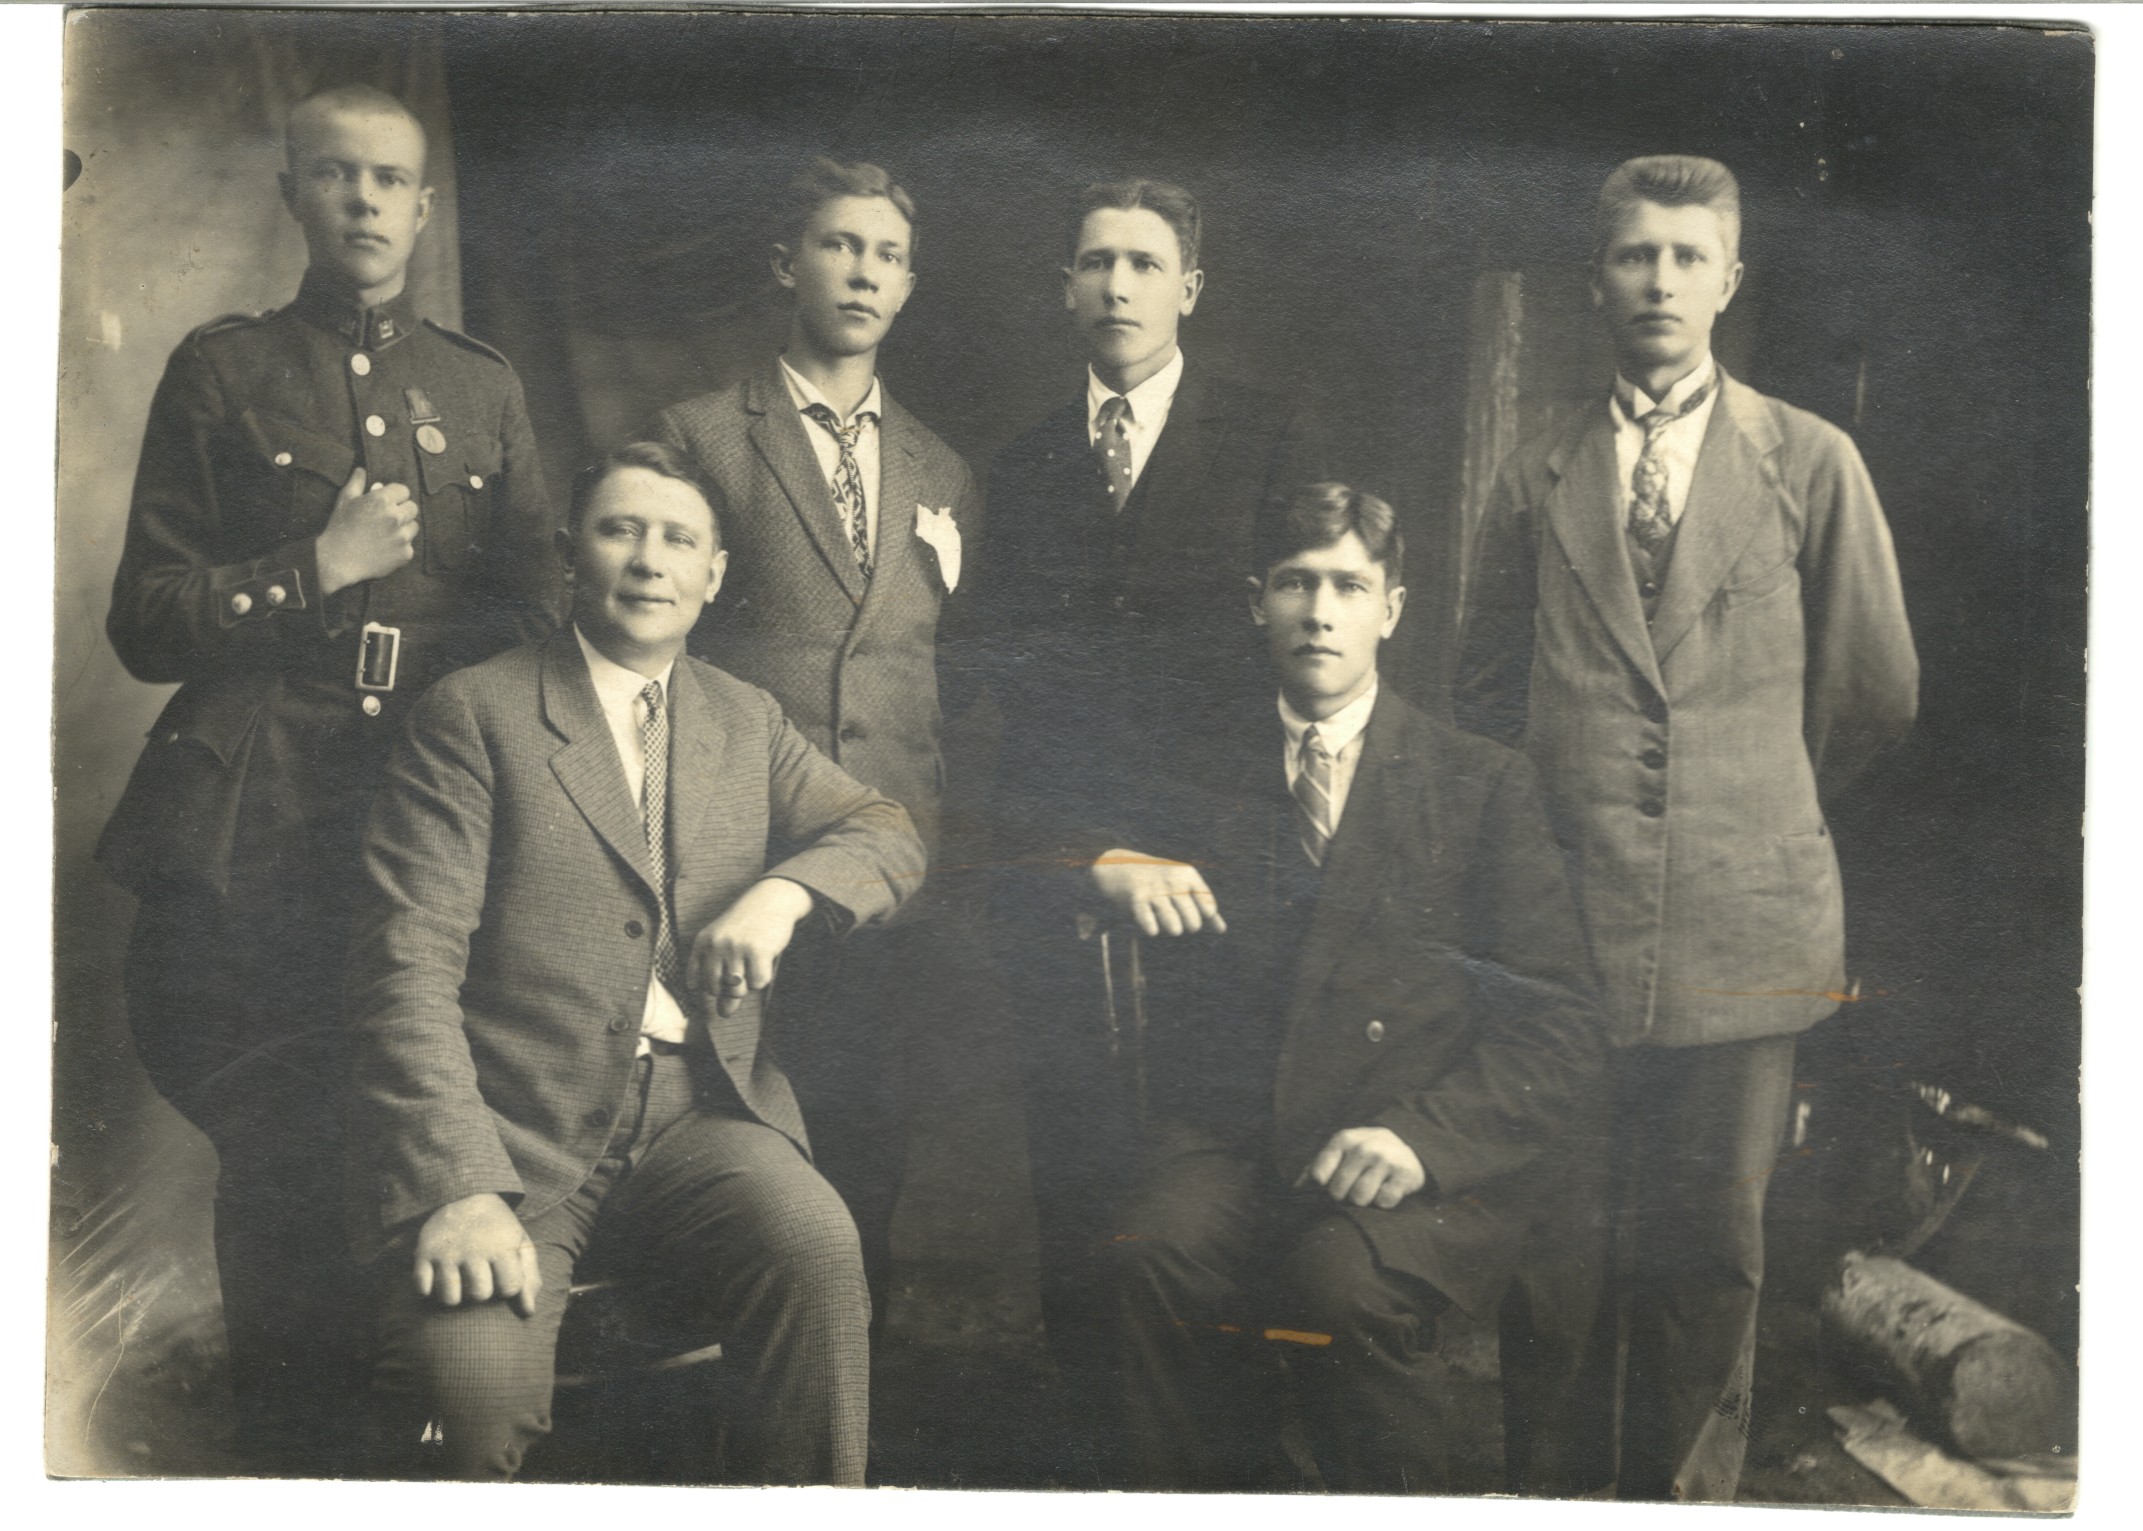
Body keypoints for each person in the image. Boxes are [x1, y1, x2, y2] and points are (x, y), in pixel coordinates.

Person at [95, 83, 556, 1474]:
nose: (364, 200)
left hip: (423, 808)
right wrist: (317, 566)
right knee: (281, 1143)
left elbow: (539, 610)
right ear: (292, 193)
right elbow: (146, 620)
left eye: (391, 179)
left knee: (413, 1119)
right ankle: (287, 1454)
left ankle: (408, 1443)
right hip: (263, 811)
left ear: (423, 205)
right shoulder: (225, 369)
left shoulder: (481, 386)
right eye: (337, 175)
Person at [1455, 155, 1919, 1502]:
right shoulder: (1536, 468)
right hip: (1565, 926)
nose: (1657, 281)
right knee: (1558, 1254)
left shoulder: (1809, 462)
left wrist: (1747, 800)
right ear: (1594, 282)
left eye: (1684, 256)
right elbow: (1480, 691)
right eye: (1631, 256)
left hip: (1742, 925)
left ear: (1728, 281)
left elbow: (1871, 693)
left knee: (1709, 1251)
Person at [346, 443, 926, 1483]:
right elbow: (405, 968)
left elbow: (886, 831)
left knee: (819, 1247)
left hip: (700, 1118)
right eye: (621, 531)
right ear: (570, 553)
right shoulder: (475, 713)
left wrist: (782, 894)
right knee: (470, 1394)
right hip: (513, 1130)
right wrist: (459, 1185)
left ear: (715, 573)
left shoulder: (743, 716)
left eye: (679, 540)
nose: (650, 561)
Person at [1101, 483, 1603, 1493]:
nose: (1319, 613)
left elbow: (1560, 1024)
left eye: (1348, 586)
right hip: (1241, 1140)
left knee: (1340, 1284)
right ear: (1257, 602)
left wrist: (1422, 1139)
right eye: (1295, 583)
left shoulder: (1478, 780)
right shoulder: (1198, 766)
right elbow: (1021, 827)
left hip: (1412, 1150)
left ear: (1393, 608)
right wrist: (1103, 861)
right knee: (1149, 1251)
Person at [974, 180, 1325, 1465]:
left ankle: (1233, 1453)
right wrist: (1084, 857)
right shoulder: (1019, 467)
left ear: (1191, 288)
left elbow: (1305, 669)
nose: (1116, 285)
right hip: (1066, 875)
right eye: (1093, 262)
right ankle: (1092, 1456)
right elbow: (1000, 698)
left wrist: (1205, 849)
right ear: (1064, 287)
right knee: (1075, 1166)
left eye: (1142, 262)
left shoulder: (1269, 437)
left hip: (1226, 880)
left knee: (1210, 1166)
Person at [649, 158, 979, 1306]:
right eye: (840, 245)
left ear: (909, 286)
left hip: (889, 872)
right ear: (786, 264)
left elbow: (940, 669)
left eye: (888, 255)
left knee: (874, 1145)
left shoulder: (942, 468)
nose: (864, 272)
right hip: (742, 862)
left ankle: (856, 1390)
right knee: (749, 1151)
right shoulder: (700, 436)